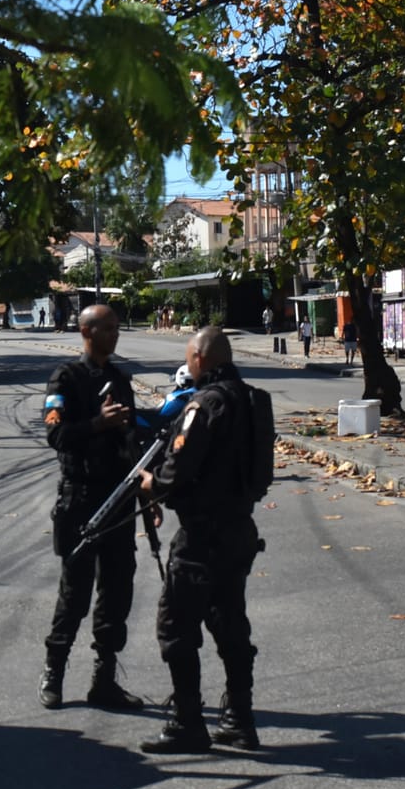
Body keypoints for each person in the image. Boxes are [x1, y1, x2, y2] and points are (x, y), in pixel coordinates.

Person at [137, 327, 262, 754]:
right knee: (231, 624)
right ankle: (239, 719)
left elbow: (175, 473)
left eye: (189, 357)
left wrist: (151, 483)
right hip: (239, 530)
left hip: (200, 537)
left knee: (175, 626)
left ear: (198, 358)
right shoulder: (252, 400)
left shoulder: (203, 404)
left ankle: (188, 721)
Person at [39, 304, 148, 712]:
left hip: (118, 498)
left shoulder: (120, 379)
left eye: (118, 328)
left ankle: (104, 678)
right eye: (109, 328)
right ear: (87, 331)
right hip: (81, 499)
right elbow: (56, 434)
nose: (116, 334)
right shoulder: (65, 378)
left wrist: (144, 493)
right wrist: (97, 424)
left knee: (117, 591)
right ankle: (54, 670)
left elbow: (132, 443)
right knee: (75, 592)